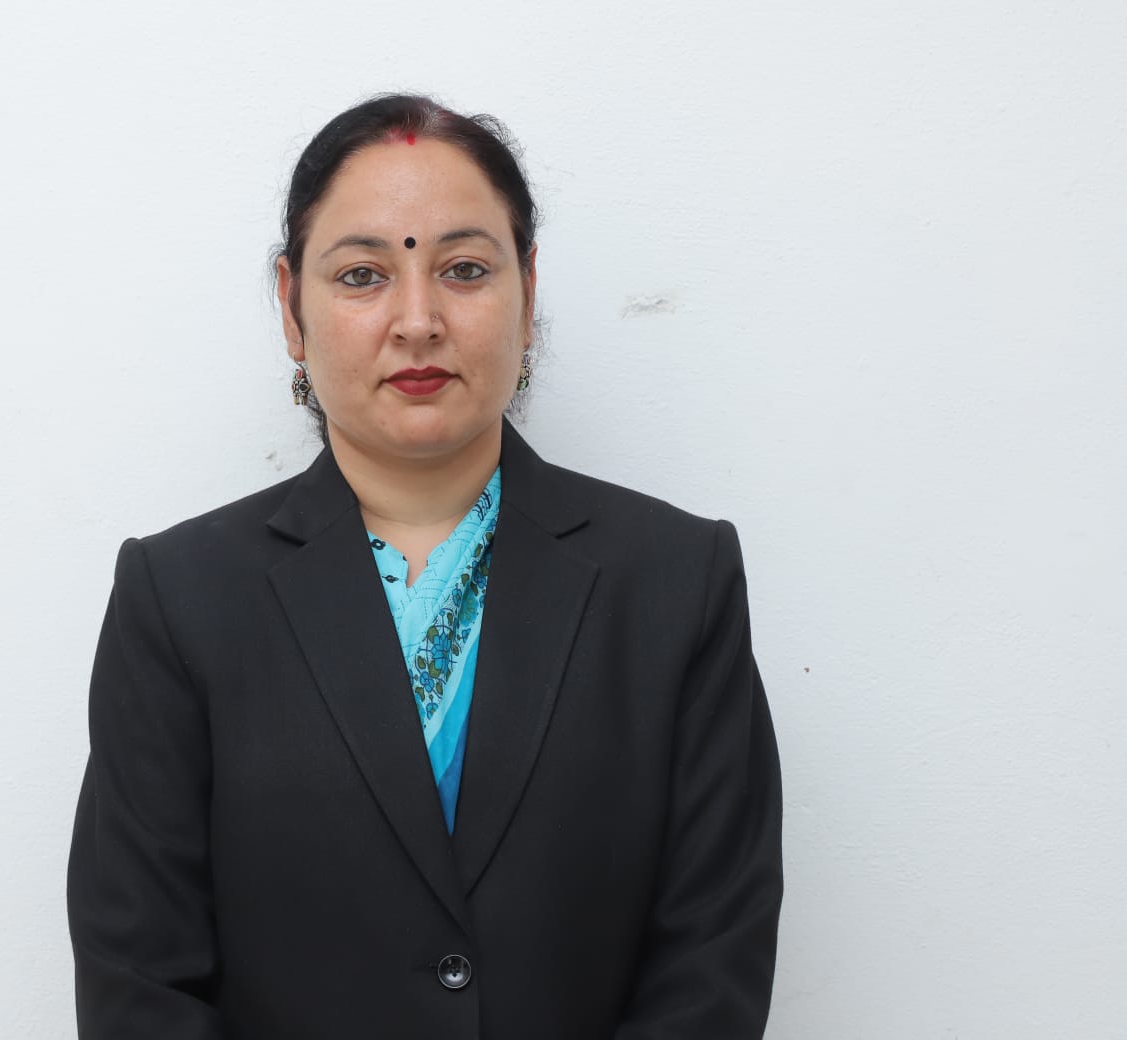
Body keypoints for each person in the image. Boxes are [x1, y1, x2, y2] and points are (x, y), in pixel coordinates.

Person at [67, 93, 783, 1039]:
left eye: (465, 269)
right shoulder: (180, 600)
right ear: (291, 306)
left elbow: (711, 962)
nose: (418, 320)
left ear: (528, 288)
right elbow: (139, 983)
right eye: (363, 275)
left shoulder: (675, 584)